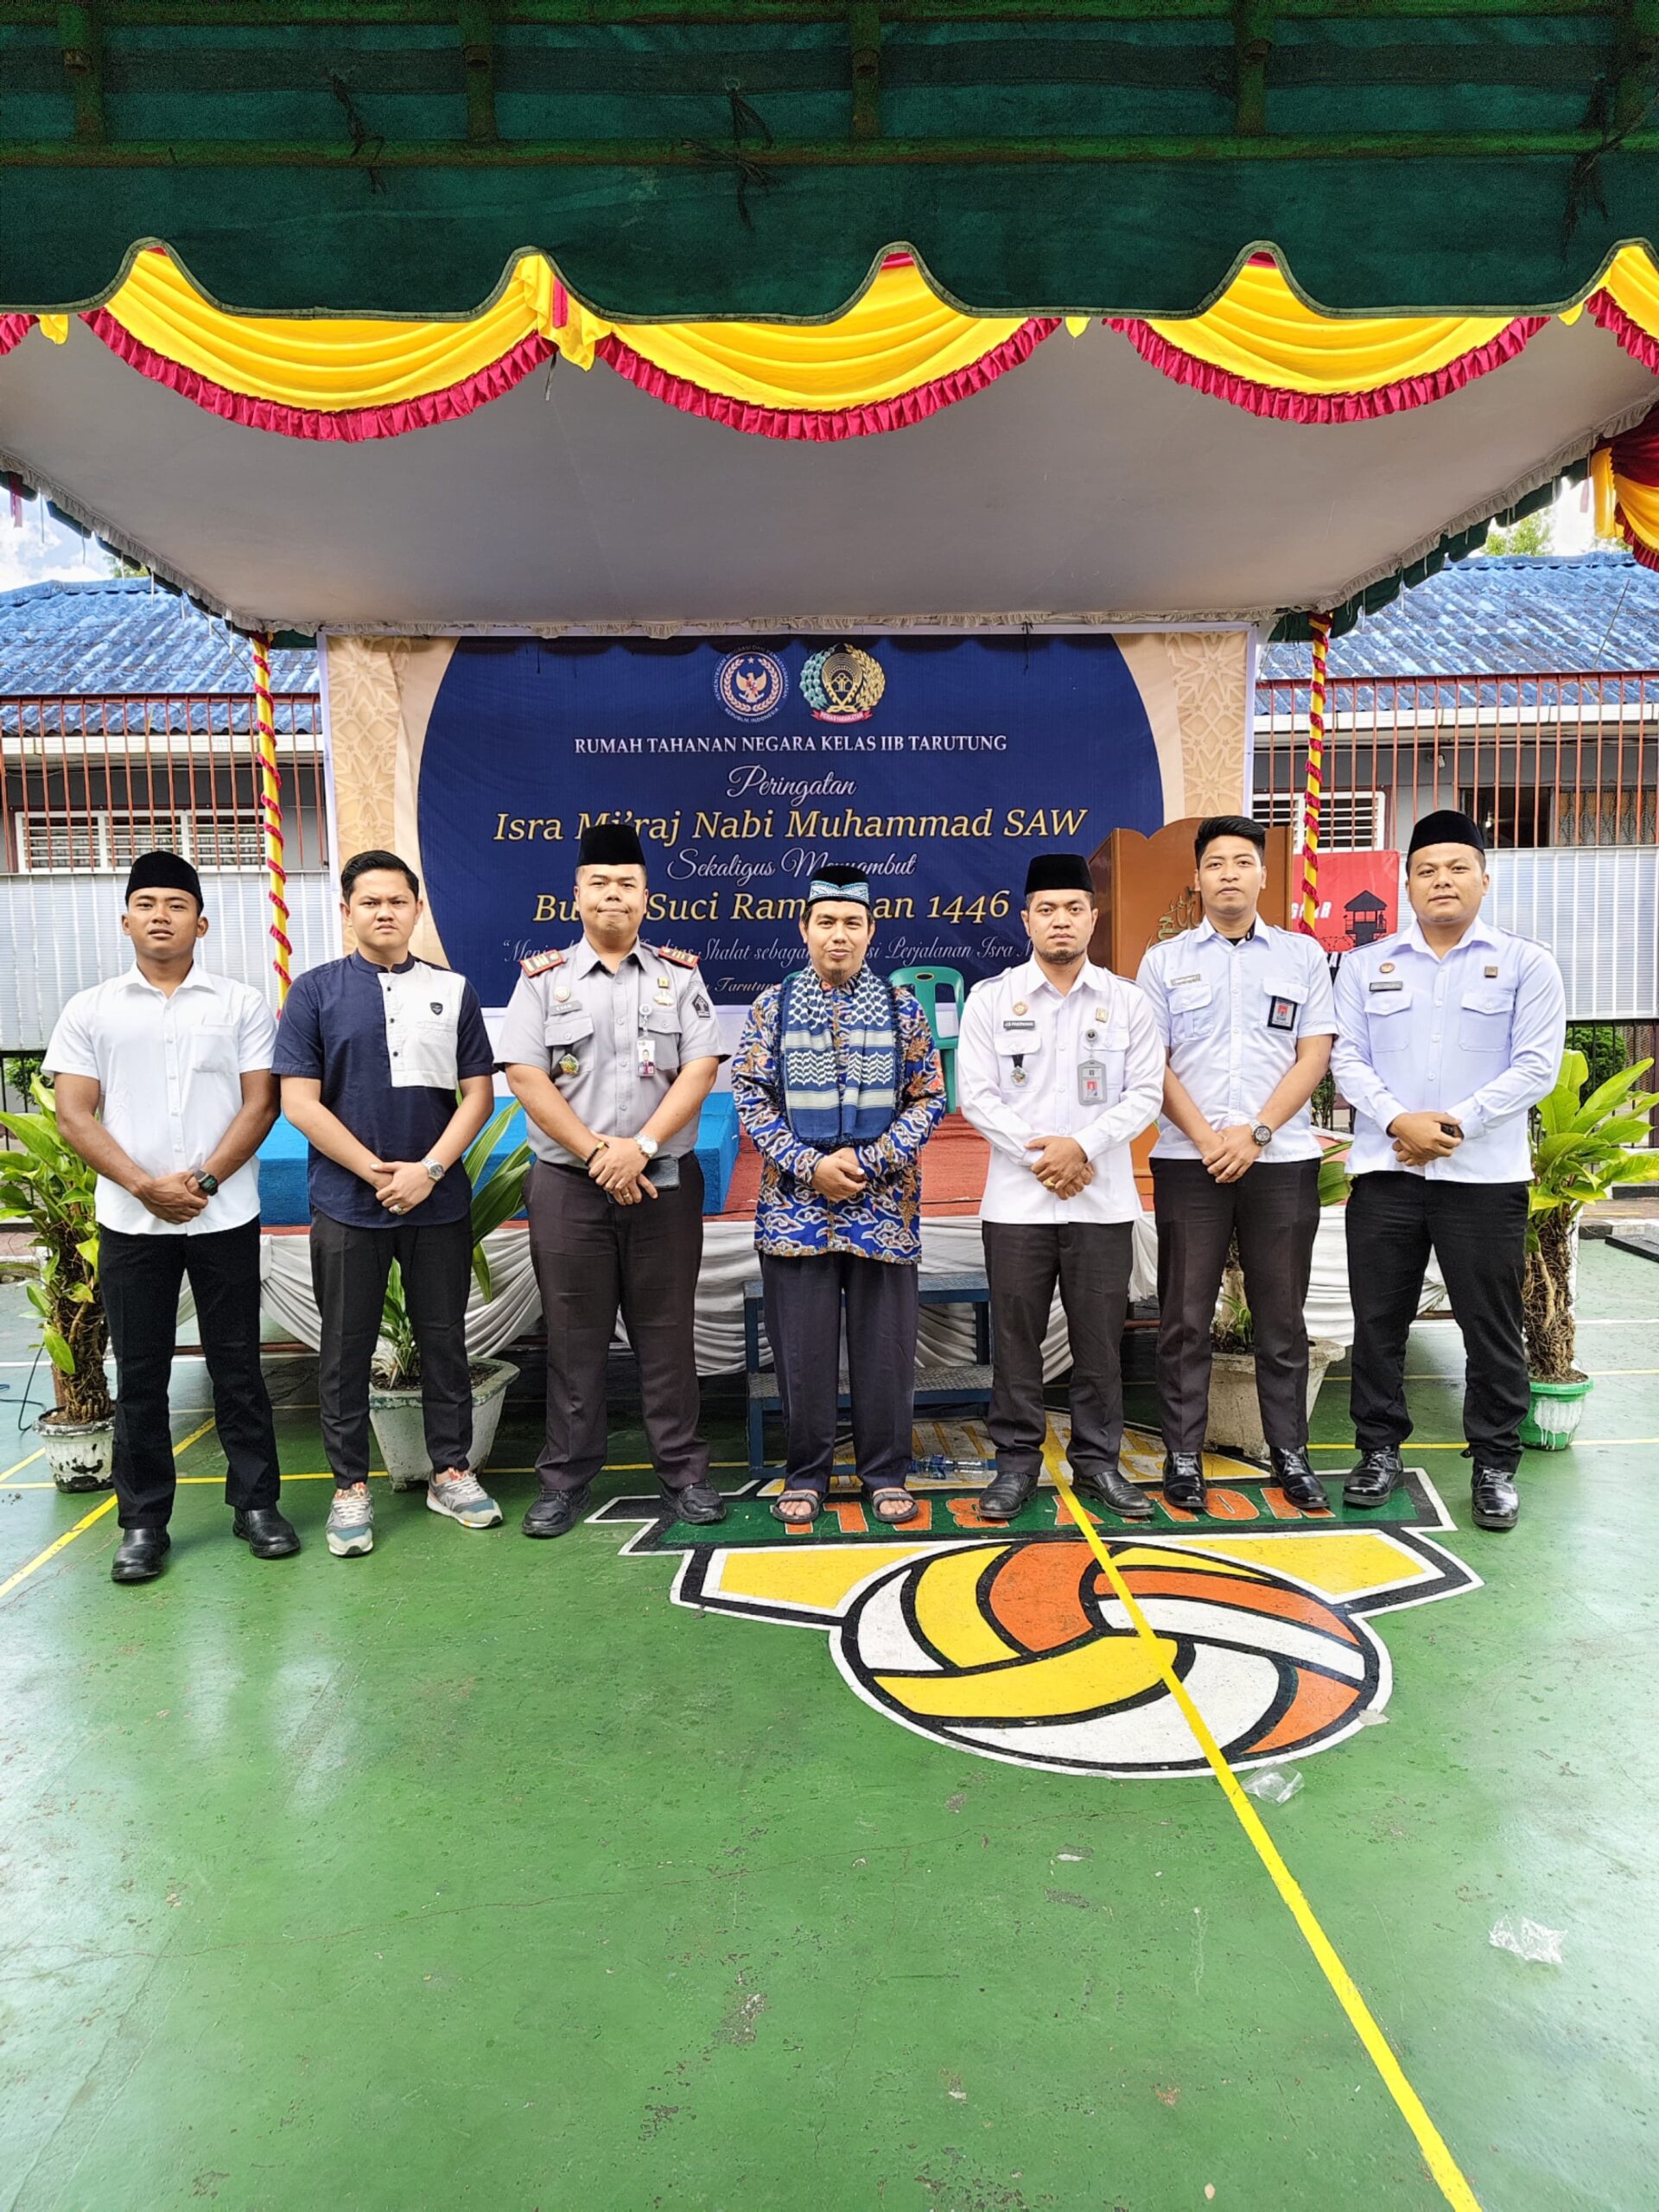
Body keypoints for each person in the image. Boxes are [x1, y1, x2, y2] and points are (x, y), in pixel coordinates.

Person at [45, 851, 295, 1583]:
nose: (161, 915)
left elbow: (262, 1103)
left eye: (176, 904)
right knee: (142, 1373)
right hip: (131, 1220)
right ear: (125, 919)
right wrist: (145, 1185)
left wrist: (206, 1179)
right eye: (147, 903)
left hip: (224, 1215)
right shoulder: (89, 1009)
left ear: (201, 922)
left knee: (238, 1367)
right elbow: (72, 1113)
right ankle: (144, 1521)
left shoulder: (240, 1003)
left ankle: (257, 1507)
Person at [1332, 810, 1566, 1531]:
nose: (1442, 881)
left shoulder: (1529, 963)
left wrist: (1451, 1124)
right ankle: (1377, 1452)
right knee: (1377, 1325)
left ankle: (1495, 1463)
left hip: (1484, 1181)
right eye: (1427, 869)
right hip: (1386, 1175)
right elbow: (1346, 1057)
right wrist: (1402, 1121)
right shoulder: (1369, 965)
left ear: (1484, 880)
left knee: (1489, 1327)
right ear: (1405, 883)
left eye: (1457, 868)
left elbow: (1536, 1066)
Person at [498, 820, 727, 1538]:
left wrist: (645, 1145)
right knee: (573, 1336)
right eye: (599, 884)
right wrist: (602, 1152)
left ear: (646, 896)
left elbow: (700, 1069)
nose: (613, 896)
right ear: (576, 896)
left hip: (662, 1182)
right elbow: (526, 1076)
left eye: (627, 884)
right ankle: (564, 1479)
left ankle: (684, 1474)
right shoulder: (542, 981)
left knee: (667, 1336)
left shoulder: (679, 976)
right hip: (570, 1185)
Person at [274, 849, 500, 1557]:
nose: (383, 912)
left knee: (445, 1341)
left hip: (437, 1201)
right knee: (343, 1349)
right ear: (347, 911)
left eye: (396, 901)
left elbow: (480, 1095)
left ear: (417, 909)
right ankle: (350, 1487)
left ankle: (451, 1470)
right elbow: (298, 1104)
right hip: (348, 1202)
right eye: (368, 901)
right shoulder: (312, 992)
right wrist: (377, 1172)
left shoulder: (454, 990)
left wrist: (428, 1169)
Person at [731, 863, 945, 1527]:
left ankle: (884, 1473)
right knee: (801, 1353)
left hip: (883, 1211)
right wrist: (806, 1164)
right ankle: (808, 1474)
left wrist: (873, 1159)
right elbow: (749, 1094)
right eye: (826, 922)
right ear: (805, 929)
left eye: (852, 923)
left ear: (871, 931)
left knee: (885, 1353)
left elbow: (930, 1097)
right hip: (796, 1212)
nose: (839, 935)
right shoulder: (772, 1007)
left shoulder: (904, 1008)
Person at [1136, 817, 1338, 1516]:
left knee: (1281, 1317)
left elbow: (1314, 1054)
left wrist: (1253, 1132)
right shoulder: (1163, 962)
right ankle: (1184, 1456)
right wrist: (1208, 1138)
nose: (1228, 873)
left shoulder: (1302, 957)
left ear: (1262, 875)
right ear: (1195, 879)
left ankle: (1290, 1453)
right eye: (1215, 863)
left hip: (1279, 1159)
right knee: (1184, 1317)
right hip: (1189, 1162)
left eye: (1242, 861)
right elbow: (1150, 1062)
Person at [957, 853, 1165, 1521]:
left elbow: (1145, 1094)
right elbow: (976, 1097)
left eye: (1074, 908)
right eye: (1046, 909)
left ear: (1093, 918)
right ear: (1026, 919)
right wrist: (1044, 1156)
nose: (1061, 921)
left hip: (1101, 1201)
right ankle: (1016, 1466)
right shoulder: (992, 998)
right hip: (1018, 1202)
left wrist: (1084, 1147)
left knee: (1100, 1342)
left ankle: (1099, 1463)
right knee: (1016, 1342)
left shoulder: (1127, 1000)